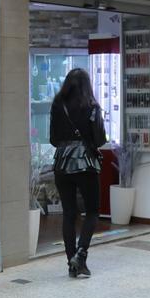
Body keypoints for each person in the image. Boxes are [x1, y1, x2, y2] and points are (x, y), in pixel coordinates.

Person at [50, 68, 107, 279]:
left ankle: (70, 260)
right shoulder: (91, 106)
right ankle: (81, 255)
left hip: (62, 162)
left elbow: (53, 139)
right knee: (92, 211)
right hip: (86, 163)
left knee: (69, 213)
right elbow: (100, 139)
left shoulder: (57, 104)